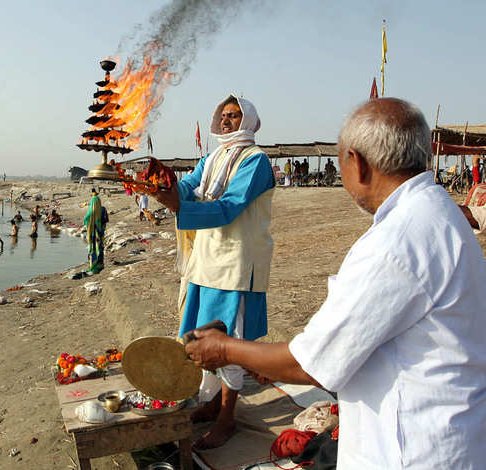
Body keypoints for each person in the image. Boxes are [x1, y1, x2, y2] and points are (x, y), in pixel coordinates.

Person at [185, 98, 486, 469]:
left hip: (413, 451)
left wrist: (226, 350)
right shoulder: (438, 210)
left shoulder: (394, 243)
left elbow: (311, 365)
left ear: (356, 163)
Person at [153, 94, 275, 450]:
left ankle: (227, 418)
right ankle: (209, 404)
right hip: (205, 259)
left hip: (236, 262)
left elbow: (230, 207)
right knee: (199, 335)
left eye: (234, 115)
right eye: (222, 115)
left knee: (229, 340)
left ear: (248, 120)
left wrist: (180, 206)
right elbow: (189, 187)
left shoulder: (256, 161)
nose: (225, 121)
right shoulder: (210, 158)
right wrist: (163, 186)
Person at [84, 189, 106, 274]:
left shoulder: (90, 212)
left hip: (93, 234)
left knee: (93, 248)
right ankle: (100, 264)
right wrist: (101, 229)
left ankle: (93, 266)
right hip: (100, 233)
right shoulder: (103, 209)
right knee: (100, 248)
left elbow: (86, 221)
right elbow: (105, 221)